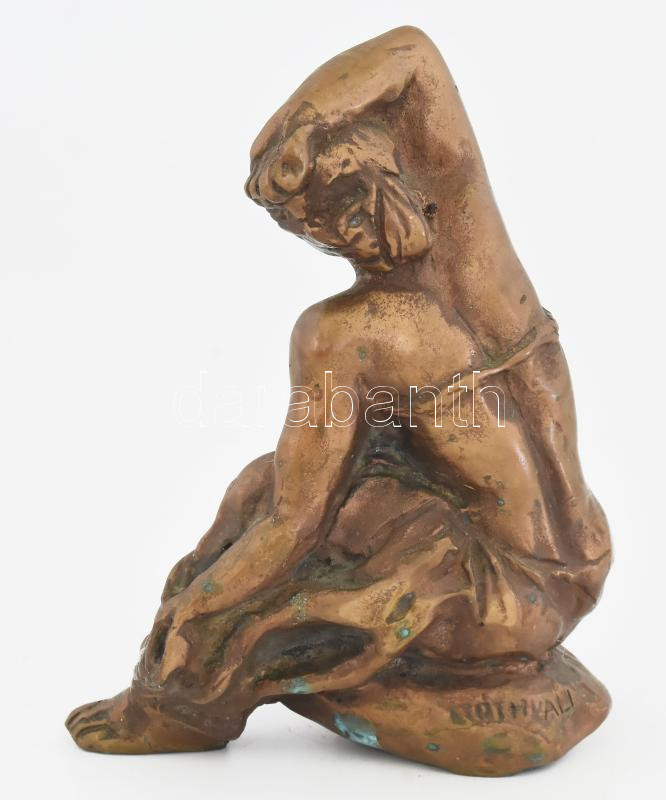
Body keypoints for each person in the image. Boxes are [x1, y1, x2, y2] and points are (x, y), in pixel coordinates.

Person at [66, 26, 610, 761]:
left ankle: (182, 705)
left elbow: (293, 523)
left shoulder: (341, 335)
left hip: (490, 604)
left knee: (259, 529)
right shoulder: (476, 259)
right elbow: (414, 56)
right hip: (574, 567)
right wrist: (309, 124)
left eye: (306, 220)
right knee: (282, 487)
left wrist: (193, 611)